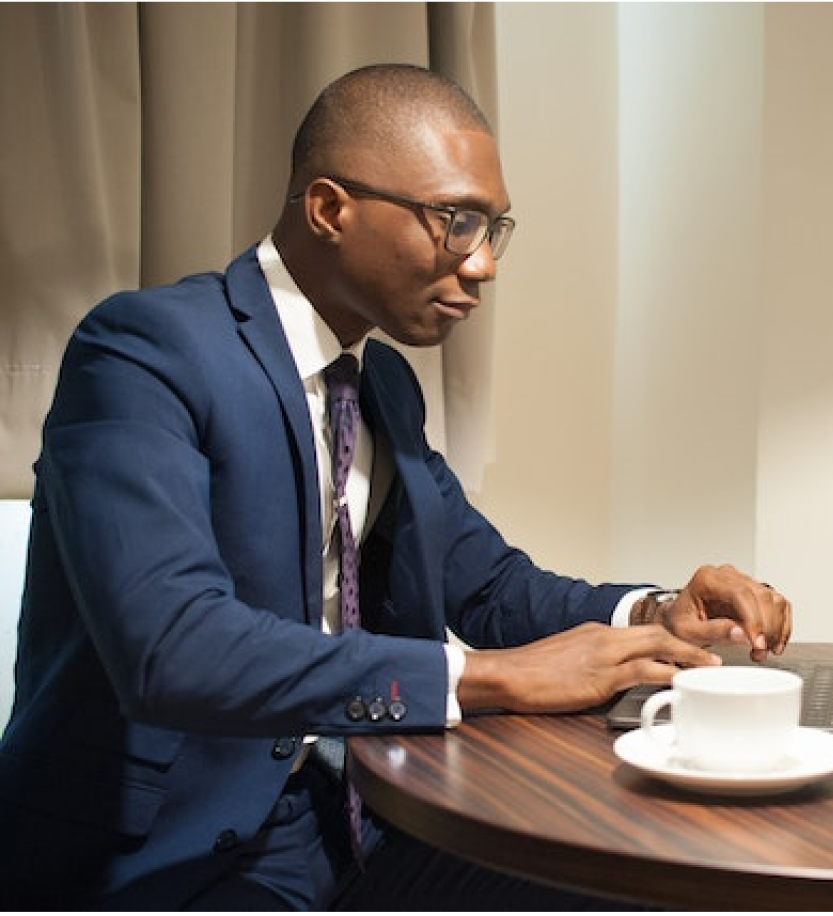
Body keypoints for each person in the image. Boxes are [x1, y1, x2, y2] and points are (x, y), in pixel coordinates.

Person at [0, 62, 792, 911]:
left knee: (666, 883)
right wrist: (484, 678)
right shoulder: (144, 352)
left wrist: (653, 614)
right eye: (456, 222)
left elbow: (487, 584)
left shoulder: (379, 386)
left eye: (494, 229)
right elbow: (176, 648)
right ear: (330, 208)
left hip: (364, 818)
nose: (483, 264)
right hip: (170, 860)